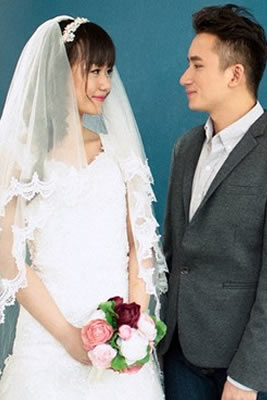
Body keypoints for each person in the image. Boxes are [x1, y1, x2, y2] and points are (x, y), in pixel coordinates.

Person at [0, 16, 167, 399]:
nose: (106, 84)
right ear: (57, 73)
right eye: (94, 71)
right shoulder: (19, 157)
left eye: (108, 71)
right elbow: (7, 258)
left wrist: (131, 326)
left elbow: (141, 248)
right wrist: (67, 336)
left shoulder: (120, 153)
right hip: (45, 341)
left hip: (118, 339)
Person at [160, 4, 267, 400]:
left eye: (197, 65)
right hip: (178, 358)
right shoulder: (185, 148)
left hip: (244, 368)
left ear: (235, 74)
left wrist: (246, 378)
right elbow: (171, 252)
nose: (184, 77)